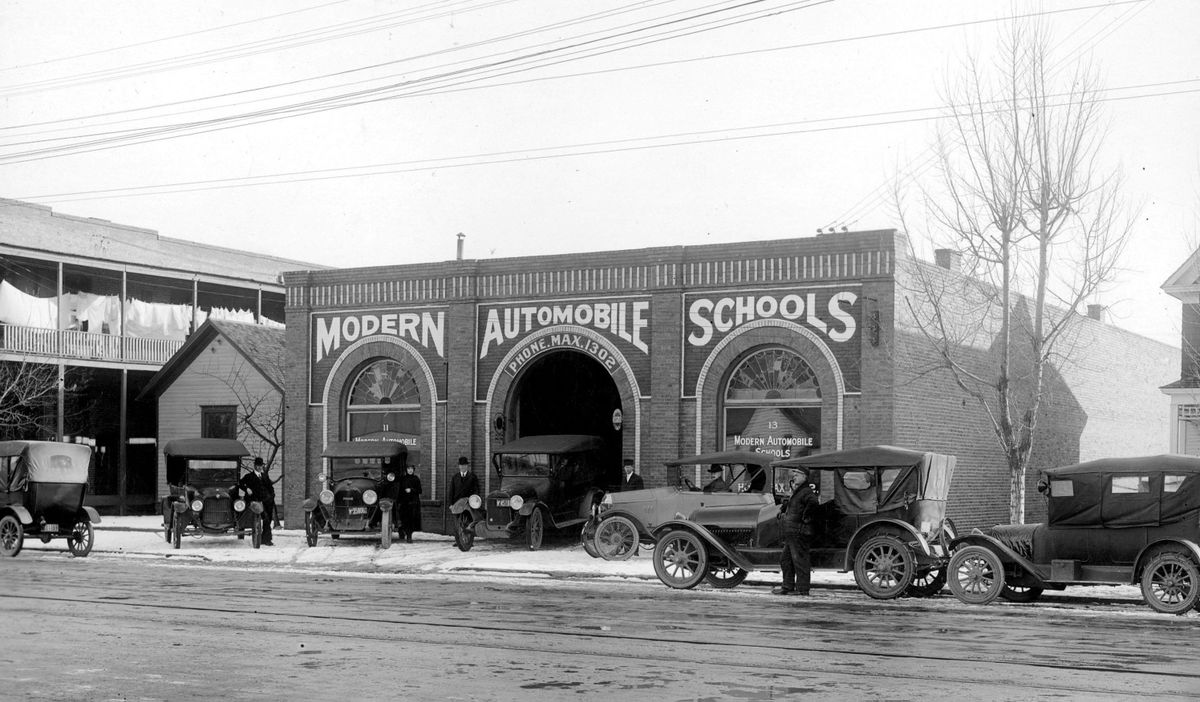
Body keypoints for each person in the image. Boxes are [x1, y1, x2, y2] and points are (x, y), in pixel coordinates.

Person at [773, 469, 818, 596]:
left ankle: (803, 589)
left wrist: (806, 518)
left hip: (799, 532)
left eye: (797, 475)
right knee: (785, 560)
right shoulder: (799, 491)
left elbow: (814, 503)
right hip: (793, 532)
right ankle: (787, 587)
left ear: (804, 477)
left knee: (800, 561)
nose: (795, 477)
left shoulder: (806, 491)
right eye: (795, 475)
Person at [239, 457, 274, 546]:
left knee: (268, 519)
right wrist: (247, 489)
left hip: (267, 501)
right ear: (254, 466)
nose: (259, 467)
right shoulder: (249, 476)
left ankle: (265, 539)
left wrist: (271, 496)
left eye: (261, 466)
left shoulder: (265, 476)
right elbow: (240, 483)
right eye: (257, 466)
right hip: (255, 501)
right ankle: (267, 539)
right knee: (265, 517)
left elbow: (270, 487)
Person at [398, 464, 422, 543]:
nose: (410, 470)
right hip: (404, 503)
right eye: (408, 469)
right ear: (406, 470)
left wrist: (411, 490)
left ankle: (409, 536)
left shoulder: (416, 479)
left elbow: (420, 490)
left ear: (414, 470)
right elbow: (400, 491)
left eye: (411, 468)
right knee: (404, 519)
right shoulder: (403, 479)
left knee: (411, 520)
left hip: (413, 502)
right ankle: (402, 530)